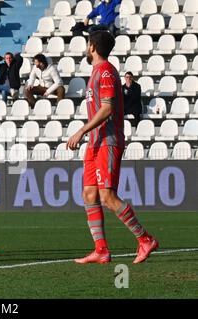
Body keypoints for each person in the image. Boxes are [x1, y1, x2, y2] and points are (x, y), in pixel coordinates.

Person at [66, 30, 158, 264]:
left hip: (108, 140)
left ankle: (145, 239)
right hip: (95, 142)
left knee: (107, 196)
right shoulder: (96, 72)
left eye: (88, 45)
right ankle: (101, 250)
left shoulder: (106, 71)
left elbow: (107, 108)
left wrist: (81, 130)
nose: (87, 48)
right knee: (89, 193)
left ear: (93, 47)